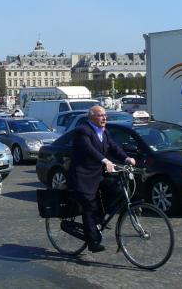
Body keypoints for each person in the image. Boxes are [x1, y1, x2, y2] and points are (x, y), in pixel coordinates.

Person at [66, 105, 136, 253]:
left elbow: (113, 147)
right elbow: (89, 149)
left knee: (116, 188)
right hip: (83, 176)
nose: (104, 118)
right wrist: (104, 160)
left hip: (97, 174)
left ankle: (99, 219)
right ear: (92, 117)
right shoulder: (83, 131)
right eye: (100, 115)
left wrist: (126, 158)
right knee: (89, 206)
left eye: (105, 115)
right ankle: (93, 242)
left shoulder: (104, 132)